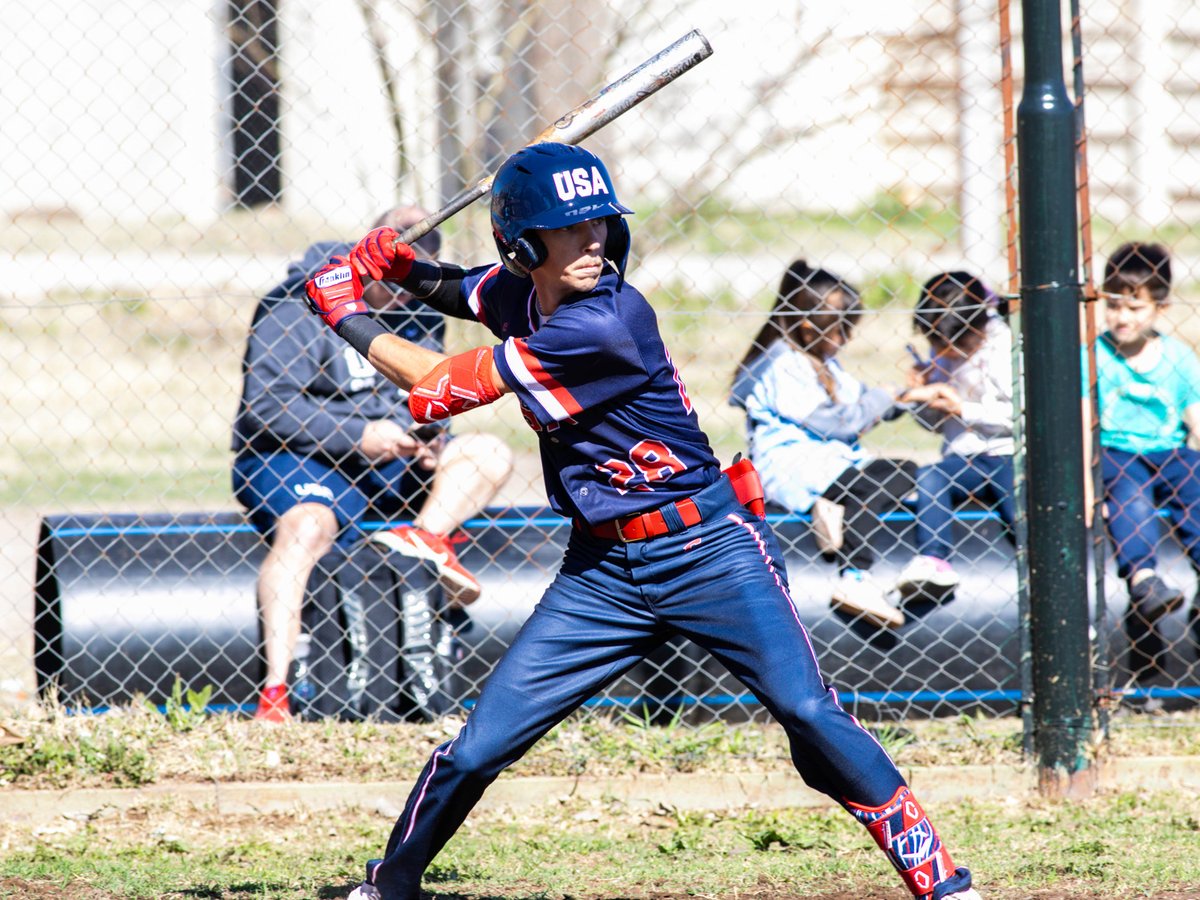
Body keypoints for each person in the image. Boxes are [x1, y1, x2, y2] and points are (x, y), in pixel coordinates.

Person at [304, 143, 982, 900]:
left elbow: (434, 386)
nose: (595, 241)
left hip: (709, 550)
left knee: (808, 715)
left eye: (601, 224)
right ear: (525, 247)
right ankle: (388, 887)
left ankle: (943, 885)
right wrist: (395, 268)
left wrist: (343, 309)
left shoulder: (605, 322)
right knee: (476, 749)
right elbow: (468, 290)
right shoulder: (531, 294)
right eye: (573, 230)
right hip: (601, 574)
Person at [231, 206, 513, 723]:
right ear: (373, 249)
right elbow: (265, 407)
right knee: (306, 525)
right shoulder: (299, 302)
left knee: (488, 454)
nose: (406, 285)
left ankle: (425, 541)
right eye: (399, 265)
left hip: (389, 462)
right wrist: (359, 435)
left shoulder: (422, 310)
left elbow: (429, 393)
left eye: (419, 268)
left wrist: (430, 437)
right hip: (298, 458)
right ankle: (277, 695)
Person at [729, 260, 915, 628]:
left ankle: (830, 508)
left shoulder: (825, 362)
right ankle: (855, 578)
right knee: (870, 483)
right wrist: (883, 398)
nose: (845, 340)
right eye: (840, 330)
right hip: (796, 469)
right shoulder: (782, 365)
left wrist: (911, 394)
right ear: (808, 324)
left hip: (834, 466)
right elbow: (840, 420)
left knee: (906, 471)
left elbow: (861, 401)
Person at [1083, 242, 1200, 688]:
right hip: (1118, 453)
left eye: (1134, 307)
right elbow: (1081, 422)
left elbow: (1195, 420)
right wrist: (1090, 489)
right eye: (1113, 306)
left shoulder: (1178, 359)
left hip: (1170, 454)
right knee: (1130, 500)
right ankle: (1146, 582)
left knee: (1194, 480)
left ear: (1159, 307)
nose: (1122, 318)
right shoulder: (1094, 357)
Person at [895, 272, 1016, 600]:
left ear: (977, 329)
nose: (946, 355)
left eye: (953, 347)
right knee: (931, 476)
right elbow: (934, 425)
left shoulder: (1006, 348)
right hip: (963, 458)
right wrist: (922, 399)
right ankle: (933, 559)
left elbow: (1023, 418)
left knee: (1020, 513)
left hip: (1010, 455)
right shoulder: (943, 347)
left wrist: (964, 408)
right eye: (938, 346)